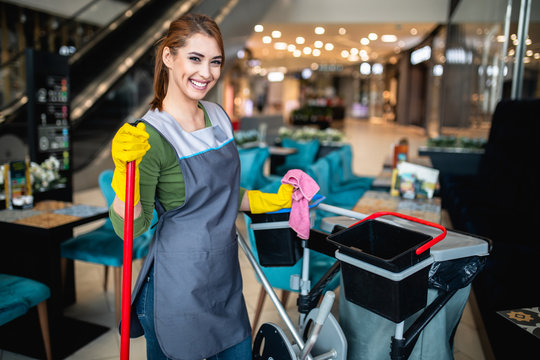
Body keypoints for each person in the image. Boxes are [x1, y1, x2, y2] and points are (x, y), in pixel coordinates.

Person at [109, 13, 294, 360]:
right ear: (168, 57)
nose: (206, 73)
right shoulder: (148, 137)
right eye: (195, 58)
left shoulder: (219, 116)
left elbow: (221, 195)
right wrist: (124, 176)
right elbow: (130, 228)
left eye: (215, 62)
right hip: (176, 287)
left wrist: (272, 200)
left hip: (224, 278)